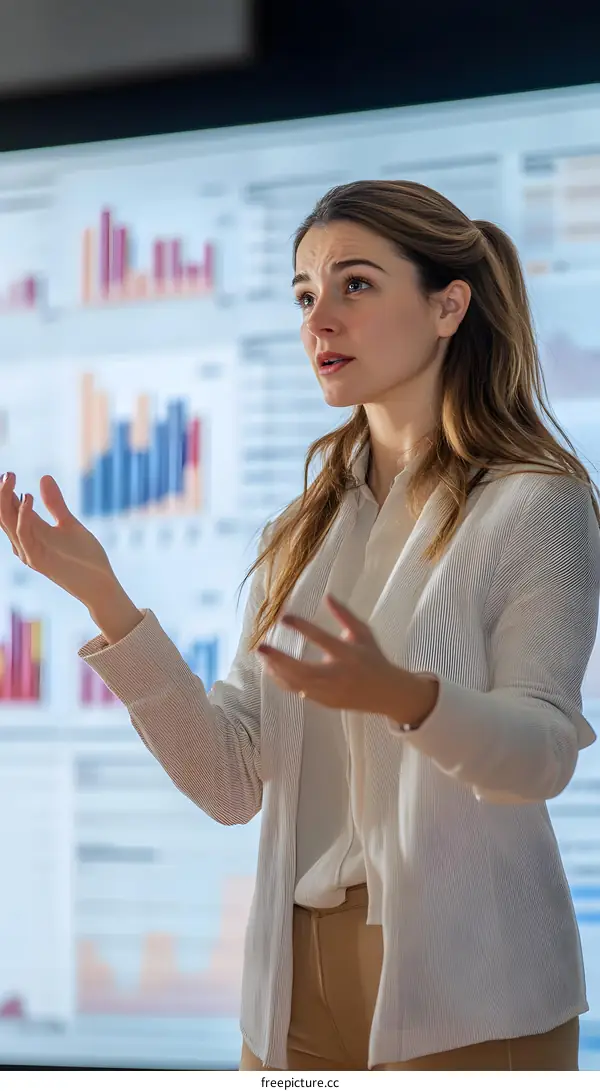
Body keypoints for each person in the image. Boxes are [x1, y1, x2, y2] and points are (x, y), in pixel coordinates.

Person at [1, 179, 599, 1072]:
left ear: (448, 306)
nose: (320, 319)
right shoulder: (301, 533)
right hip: (291, 988)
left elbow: (543, 754)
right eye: (305, 294)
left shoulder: (536, 504)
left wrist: (407, 697)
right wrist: (106, 601)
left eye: (355, 285)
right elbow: (230, 781)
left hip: (475, 990)